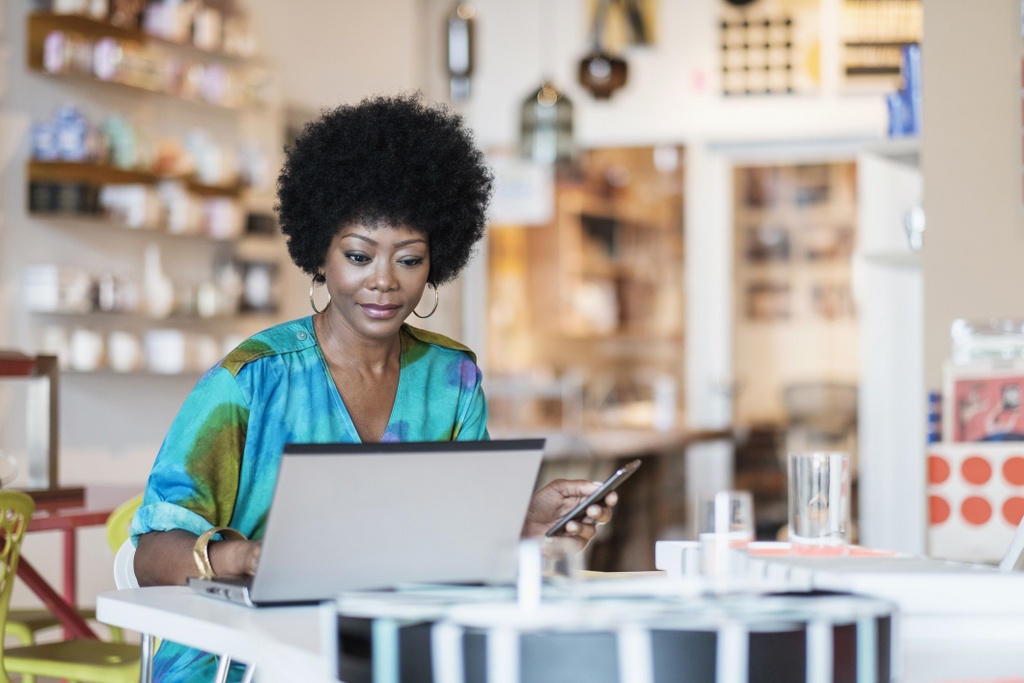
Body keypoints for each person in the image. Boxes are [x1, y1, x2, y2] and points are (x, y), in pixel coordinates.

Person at [130, 92, 617, 682]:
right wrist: (250, 557)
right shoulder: (251, 380)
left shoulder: (451, 377)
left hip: (386, 653)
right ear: (321, 255)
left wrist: (523, 525)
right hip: (243, 659)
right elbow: (151, 553)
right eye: (359, 255)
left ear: (436, 260)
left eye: (408, 260)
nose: (383, 282)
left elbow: (447, 541)